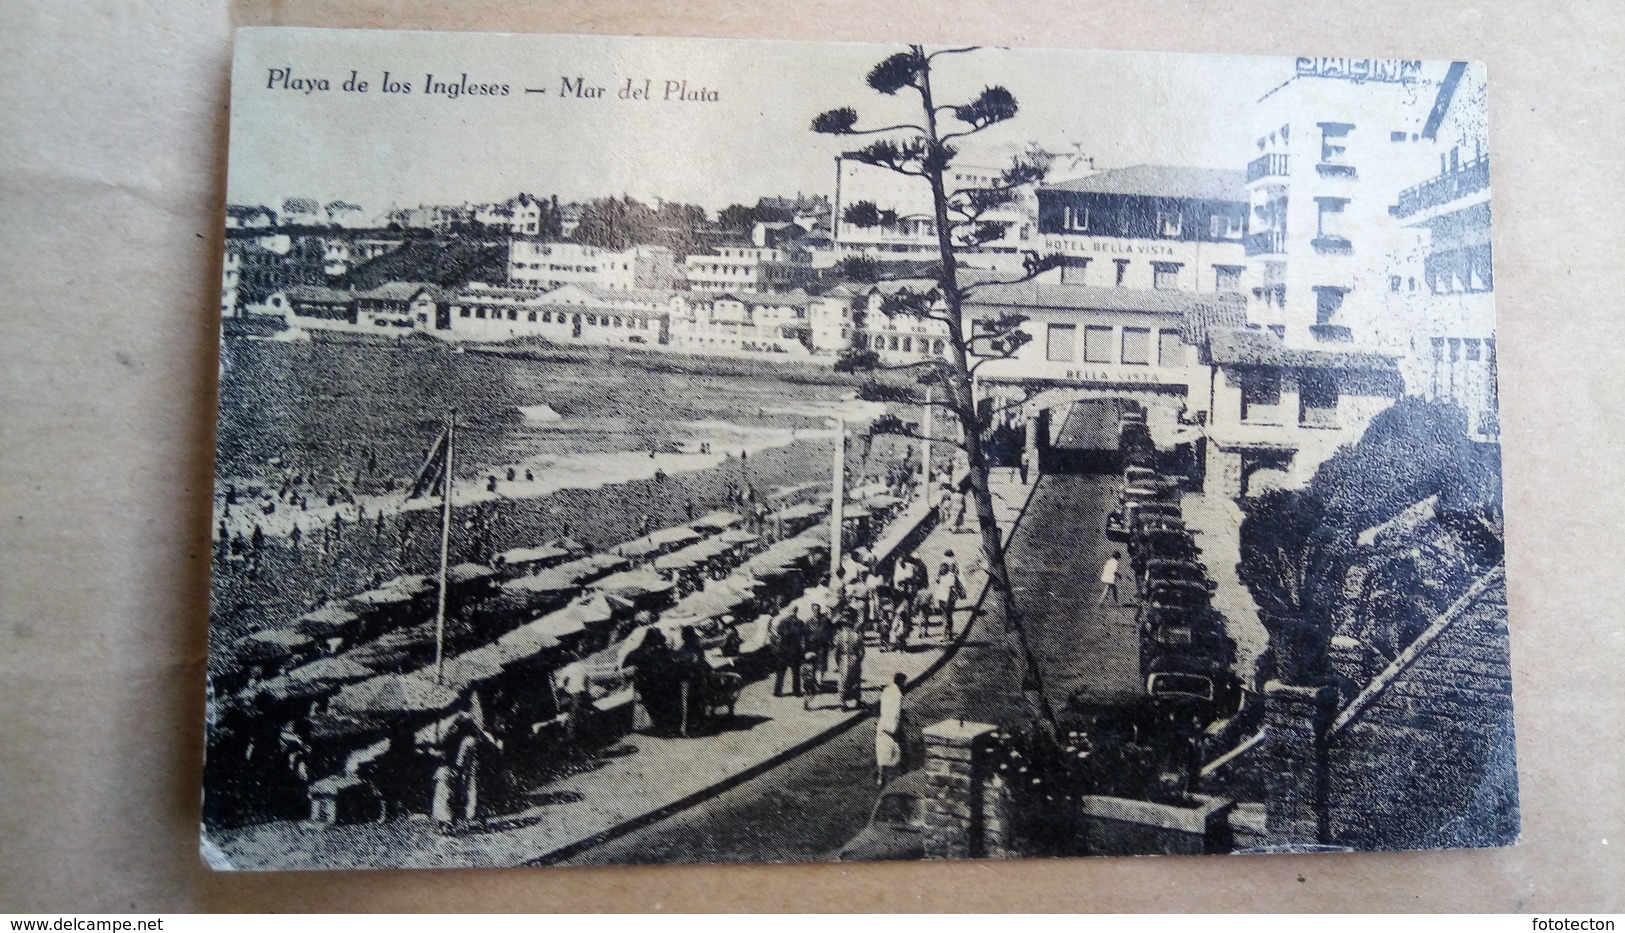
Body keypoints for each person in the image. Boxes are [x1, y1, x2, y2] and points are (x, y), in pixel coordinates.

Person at [623, 627, 676, 733]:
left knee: (659, 703)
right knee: (656, 704)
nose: (658, 645)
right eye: (656, 643)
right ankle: (662, 725)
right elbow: (626, 670)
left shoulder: (639, 653)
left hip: (657, 683)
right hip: (649, 684)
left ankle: (664, 724)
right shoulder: (638, 654)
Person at [670, 626, 712, 736]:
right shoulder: (695, 650)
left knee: (690, 704)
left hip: (689, 681)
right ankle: (693, 727)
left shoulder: (681, 651)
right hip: (696, 679)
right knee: (695, 703)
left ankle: (688, 728)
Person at [875, 672, 907, 787]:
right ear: (901, 683)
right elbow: (896, 714)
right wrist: (896, 730)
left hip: (882, 725)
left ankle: (880, 777)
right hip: (893, 727)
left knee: (882, 752)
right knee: (899, 753)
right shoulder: (898, 695)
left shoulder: (886, 691)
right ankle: (900, 779)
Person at [770, 607, 806, 697]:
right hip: (784, 650)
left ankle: (796, 691)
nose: (792, 613)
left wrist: (802, 648)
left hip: (795, 650)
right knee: (781, 671)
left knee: (796, 671)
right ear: (788, 612)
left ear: (796, 612)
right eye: (791, 611)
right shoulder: (783, 622)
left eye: (794, 611)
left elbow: (803, 636)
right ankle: (778, 691)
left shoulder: (800, 623)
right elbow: (777, 635)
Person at [835, 612, 865, 711]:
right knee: (855, 680)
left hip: (844, 658)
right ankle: (856, 700)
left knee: (843, 681)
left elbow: (837, 651)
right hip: (853, 658)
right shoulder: (856, 634)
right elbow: (862, 650)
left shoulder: (839, 636)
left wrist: (838, 662)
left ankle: (843, 702)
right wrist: (859, 659)